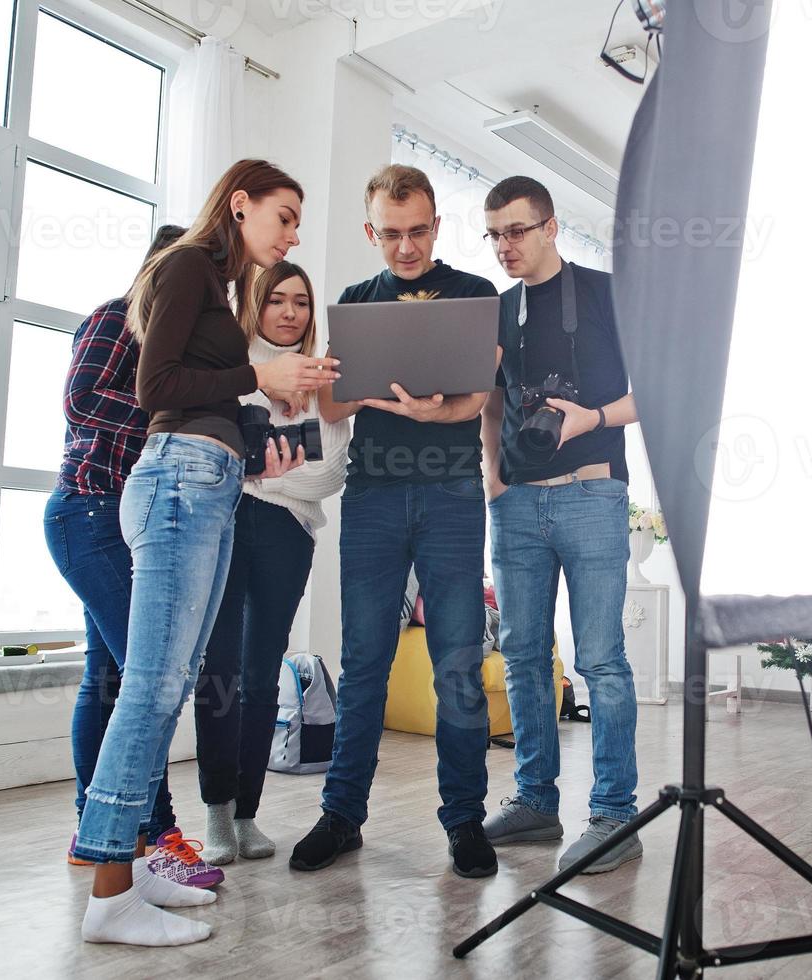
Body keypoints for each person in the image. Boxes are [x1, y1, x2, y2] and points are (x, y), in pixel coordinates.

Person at [74, 159, 338, 947]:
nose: (292, 233)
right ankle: (110, 891)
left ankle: (140, 863)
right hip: (179, 481)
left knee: (171, 682)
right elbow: (156, 387)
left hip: (212, 477)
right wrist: (258, 372)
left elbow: (206, 400)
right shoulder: (187, 264)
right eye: (283, 215)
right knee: (151, 688)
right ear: (240, 204)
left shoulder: (218, 289)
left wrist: (265, 445)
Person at [288, 164, 499, 879]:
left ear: (436, 226)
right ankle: (342, 814)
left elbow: (474, 401)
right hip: (373, 495)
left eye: (416, 232)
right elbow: (332, 409)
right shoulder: (354, 303)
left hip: (450, 495)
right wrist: (365, 394)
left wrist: (432, 411)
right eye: (389, 234)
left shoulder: (474, 295)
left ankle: (464, 821)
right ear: (369, 230)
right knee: (364, 662)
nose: (404, 247)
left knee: (458, 666)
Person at [46, 223, 222, 890]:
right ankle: (154, 836)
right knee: (151, 680)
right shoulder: (115, 321)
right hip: (86, 516)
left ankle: (94, 835)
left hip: (129, 527)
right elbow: (81, 400)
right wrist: (175, 412)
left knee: (111, 678)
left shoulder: (180, 353)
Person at [478, 176, 642, 873]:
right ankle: (535, 803)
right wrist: (492, 479)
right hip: (515, 503)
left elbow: (660, 387)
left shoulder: (608, 293)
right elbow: (488, 403)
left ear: (549, 226)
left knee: (599, 659)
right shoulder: (495, 310)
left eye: (514, 231)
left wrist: (593, 418)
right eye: (492, 234)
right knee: (521, 657)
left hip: (591, 495)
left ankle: (613, 816)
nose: (503, 246)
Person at [195, 261, 352, 865]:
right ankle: (214, 812)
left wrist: (263, 473)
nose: (290, 312)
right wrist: (261, 471)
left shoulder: (326, 381)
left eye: (301, 302)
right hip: (230, 522)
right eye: (277, 300)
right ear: (257, 305)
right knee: (222, 669)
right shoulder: (240, 373)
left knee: (264, 674)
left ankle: (246, 814)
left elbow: (328, 474)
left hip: (289, 534)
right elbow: (227, 461)